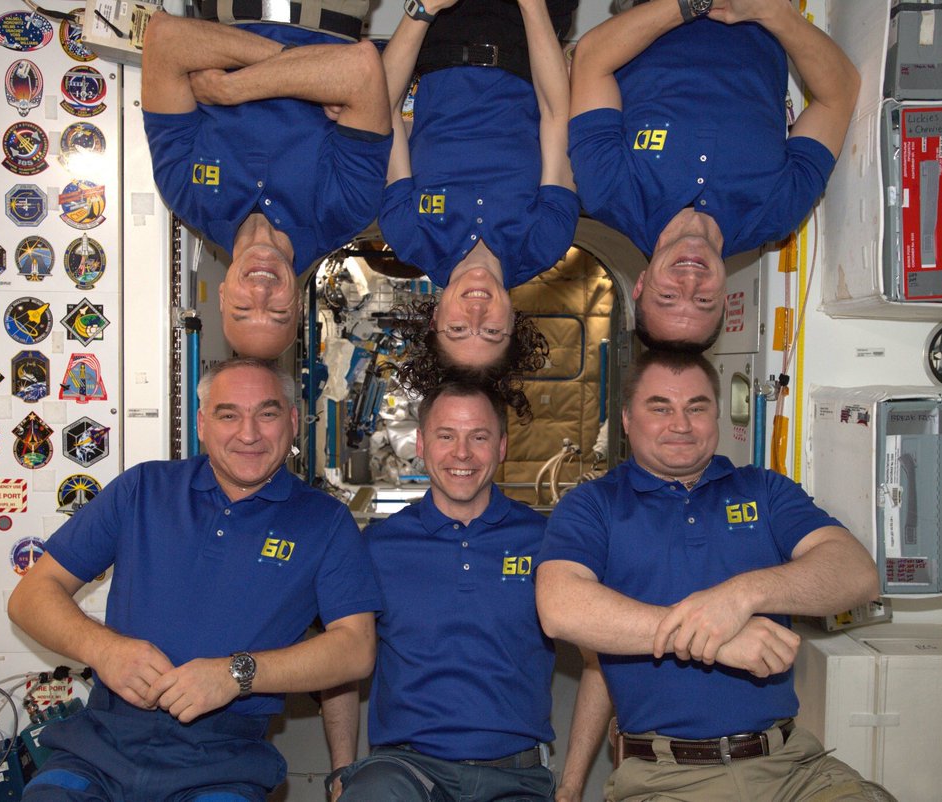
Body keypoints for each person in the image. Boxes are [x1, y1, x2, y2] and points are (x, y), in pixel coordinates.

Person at [7, 357, 382, 801]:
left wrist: (236, 674)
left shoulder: (326, 523)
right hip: (102, 744)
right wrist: (103, 649)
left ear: (294, 421)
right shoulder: (143, 489)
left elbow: (355, 649)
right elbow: (31, 596)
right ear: (202, 424)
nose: (248, 434)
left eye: (267, 414)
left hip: (222, 759)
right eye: (228, 415)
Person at [536, 350, 893, 801]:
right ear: (626, 419)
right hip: (665, 778)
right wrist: (720, 640)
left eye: (697, 408)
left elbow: (857, 573)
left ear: (717, 415)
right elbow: (560, 607)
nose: (681, 424)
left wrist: (740, 596)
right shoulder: (594, 506)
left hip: (791, 767)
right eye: (660, 408)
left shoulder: (764, 489)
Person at [322, 380, 610, 801]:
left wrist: (572, 785)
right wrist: (341, 772)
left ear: (502, 447)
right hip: (405, 771)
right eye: (446, 436)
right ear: (421, 444)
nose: (462, 453)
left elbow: (598, 659)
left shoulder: (545, 543)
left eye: (479, 437)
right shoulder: (378, 547)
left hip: (518, 777)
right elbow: (339, 659)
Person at [568, 0, 859, 351]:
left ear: (641, 285)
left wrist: (694, 3)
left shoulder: (606, 192)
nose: (690, 282)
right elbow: (838, 96)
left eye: (668, 296)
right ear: (724, 299)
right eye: (703, 301)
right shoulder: (777, 212)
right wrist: (774, 14)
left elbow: (592, 60)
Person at [142, 11, 392, 359]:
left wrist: (319, 75)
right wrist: (231, 88)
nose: (260, 292)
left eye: (243, 309)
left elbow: (164, 39)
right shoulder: (346, 212)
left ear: (222, 296)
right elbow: (363, 68)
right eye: (277, 311)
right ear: (299, 303)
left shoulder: (184, 194)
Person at [377, 0, 580, 374]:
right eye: (491, 331)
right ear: (513, 322)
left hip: (442, 27)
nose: (476, 312)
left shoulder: (408, 232)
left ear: (435, 319)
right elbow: (556, 115)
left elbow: (385, 110)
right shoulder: (545, 240)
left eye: (457, 329)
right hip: (528, 34)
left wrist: (423, 9)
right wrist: (533, 6)